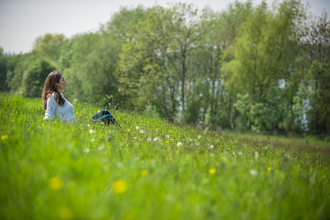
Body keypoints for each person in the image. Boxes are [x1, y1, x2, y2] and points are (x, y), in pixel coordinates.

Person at [42, 71, 120, 126]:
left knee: (104, 112)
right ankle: (123, 133)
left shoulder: (60, 95)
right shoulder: (53, 96)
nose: (65, 81)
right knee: (108, 118)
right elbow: (49, 116)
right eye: (63, 80)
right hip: (75, 128)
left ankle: (118, 133)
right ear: (56, 83)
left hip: (78, 125)